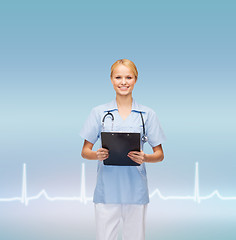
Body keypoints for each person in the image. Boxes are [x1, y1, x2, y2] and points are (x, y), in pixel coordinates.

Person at [80, 59, 166, 240]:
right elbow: (85, 151)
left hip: (135, 191)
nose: (123, 82)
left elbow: (159, 155)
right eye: (118, 77)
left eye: (129, 77)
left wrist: (145, 157)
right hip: (107, 191)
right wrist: (97, 154)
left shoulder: (147, 115)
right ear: (111, 80)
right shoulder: (98, 113)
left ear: (136, 80)